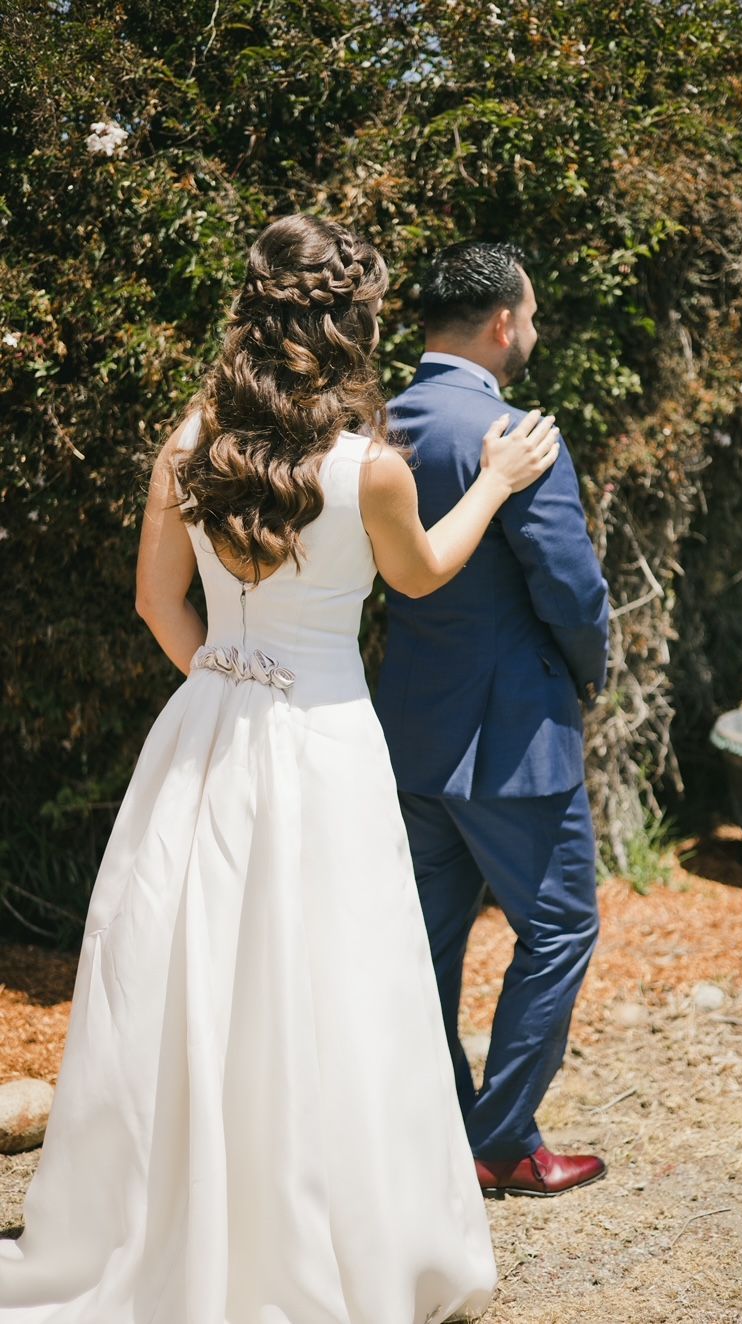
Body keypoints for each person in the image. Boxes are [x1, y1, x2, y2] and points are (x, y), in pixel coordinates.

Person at [0, 215, 562, 1323]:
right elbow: (424, 577)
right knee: (329, 985)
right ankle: (324, 1239)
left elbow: (156, 601)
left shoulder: (189, 438)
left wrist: (222, 674)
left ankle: (170, 1221)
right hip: (323, 739)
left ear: (256, 313)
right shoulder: (373, 471)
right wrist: (495, 479)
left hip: (205, 727)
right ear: (351, 324)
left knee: (192, 979)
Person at [375, 241, 610, 1199]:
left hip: (412, 733)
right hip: (516, 739)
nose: (536, 330)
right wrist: (587, 679)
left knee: (427, 942)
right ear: (504, 322)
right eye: (535, 313)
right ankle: (500, 1138)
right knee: (560, 926)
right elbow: (571, 586)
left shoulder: (372, 429)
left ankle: (436, 1131)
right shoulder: (515, 437)